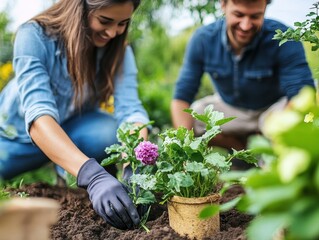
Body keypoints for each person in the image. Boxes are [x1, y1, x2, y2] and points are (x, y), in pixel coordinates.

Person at [0, 0, 148, 230]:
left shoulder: (119, 50)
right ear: (79, 9)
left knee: (110, 132)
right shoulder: (34, 36)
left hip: (74, 131)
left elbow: (131, 111)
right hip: (15, 140)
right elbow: (39, 116)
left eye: (122, 23)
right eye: (104, 21)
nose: (112, 32)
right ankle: (86, 170)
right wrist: (93, 176)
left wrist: (136, 166)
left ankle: (75, 168)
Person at [171, 0, 315, 153]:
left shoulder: (286, 38)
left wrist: (281, 130)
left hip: (272, 111)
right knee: (192, 118)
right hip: (230, 109)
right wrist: (185, 152)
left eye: (255, 16)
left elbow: (302, 94)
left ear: (265, 8)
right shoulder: (203, 39)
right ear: (223, 5)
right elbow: (182, 97)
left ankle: (267, 152)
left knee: (296, 118)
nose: (245, 26)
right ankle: (243, 150)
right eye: (238, 15)